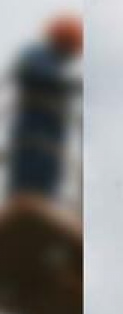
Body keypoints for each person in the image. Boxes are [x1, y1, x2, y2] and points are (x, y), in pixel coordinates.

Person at [7, 14, 83, 198]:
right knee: (30, 167)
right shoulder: (38, 55)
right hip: (35, 126)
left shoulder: (57, 65)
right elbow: (33, 75)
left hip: (50, 132)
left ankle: (40, 198)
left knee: (48, 169)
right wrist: (68, 87)